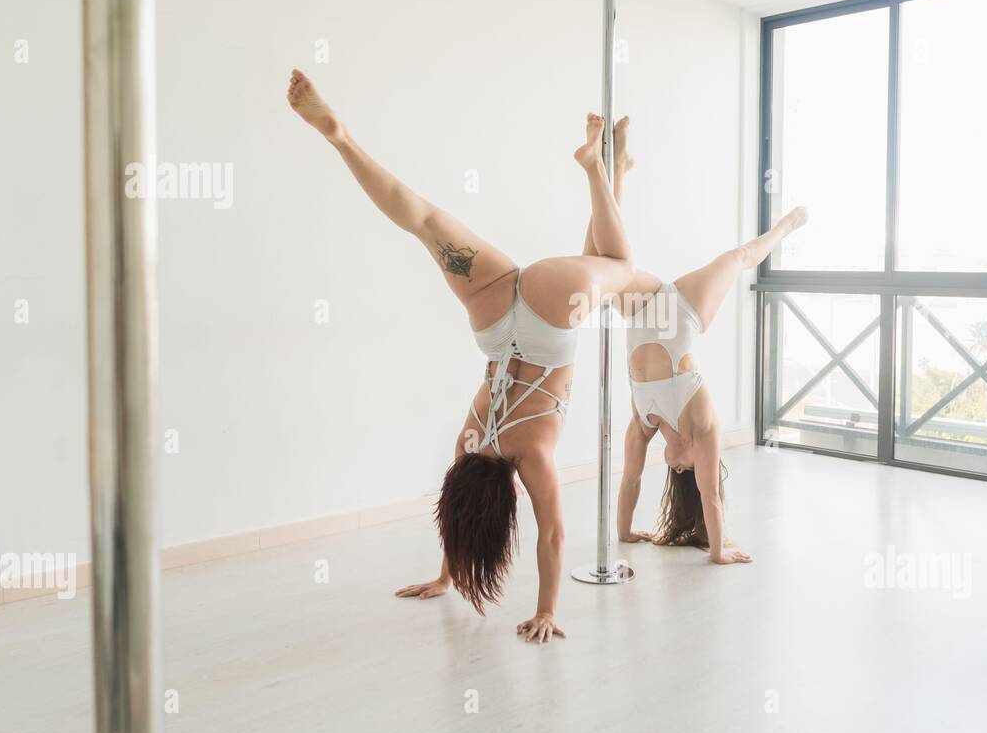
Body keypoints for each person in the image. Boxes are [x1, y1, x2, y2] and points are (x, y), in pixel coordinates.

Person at [288, 69, 634, 643]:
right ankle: (342, 138)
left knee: (616, 268)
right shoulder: (468, 442)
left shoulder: (532, 457)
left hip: (551, 318)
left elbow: (552, 536)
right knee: (423, 221)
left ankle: (600, 167)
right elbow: (457, 513)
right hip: (495, 319)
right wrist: (445, 572)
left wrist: (547, 610)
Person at [580, 118, 807, 563]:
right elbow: (711, 497)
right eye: (675, 466)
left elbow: (628, 481)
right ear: (683, 463)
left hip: (645, 311)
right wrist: (718, 551)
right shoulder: (704, 432)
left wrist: (624, 534)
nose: (668, 462)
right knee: (737, 257)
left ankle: (615, 168)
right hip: (683, 311)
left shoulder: (644, 424)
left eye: (669, 464)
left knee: (599, 268)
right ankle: (787, 226)